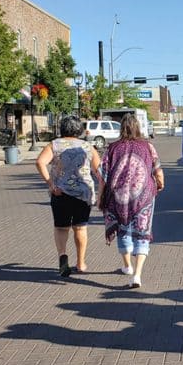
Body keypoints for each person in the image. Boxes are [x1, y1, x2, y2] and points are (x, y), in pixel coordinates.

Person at [100, 113, 164, 289]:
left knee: (123, 229)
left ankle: (127, 265)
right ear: (138, 128)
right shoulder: (147, 146)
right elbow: (157, 169)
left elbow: (103, 175)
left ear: (121, 128)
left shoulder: (112, 148)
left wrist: (100, 196)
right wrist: (160, 184)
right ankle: (137, 274)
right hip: (143, 195)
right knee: (142, 231)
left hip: (117, 196)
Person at [35, 115, 103, 277]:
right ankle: (80, 262)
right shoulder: (87, 147)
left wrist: (51, 184)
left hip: (60, 192)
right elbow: (99, 170)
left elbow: (40, 162)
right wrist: (101, 191)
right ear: (79, 129)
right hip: (83, 193)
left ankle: (62, 256)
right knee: (80, 227)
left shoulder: (55, 145)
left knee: (61, 227)